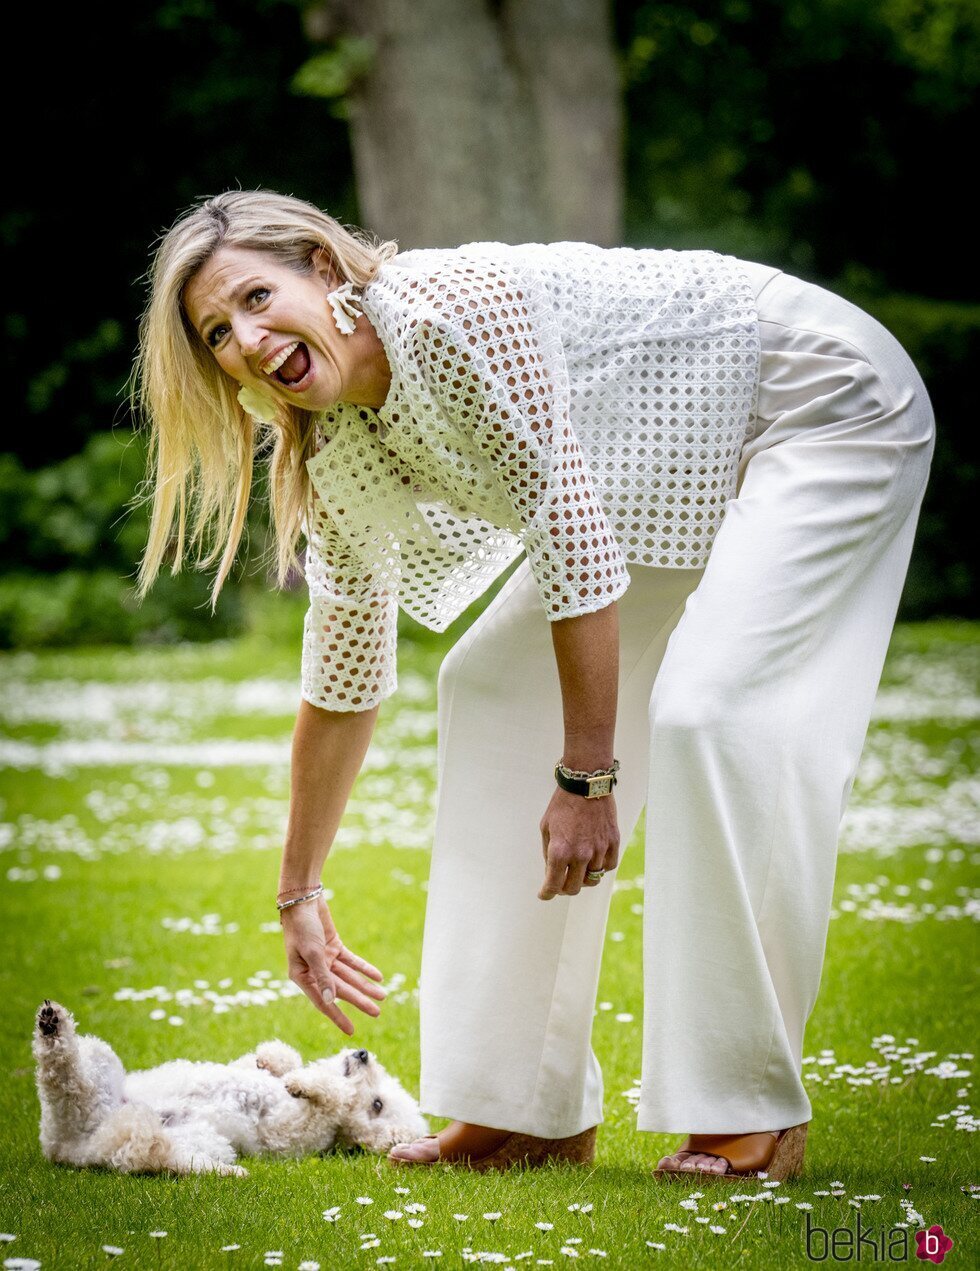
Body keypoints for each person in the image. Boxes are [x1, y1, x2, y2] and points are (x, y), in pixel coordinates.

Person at [133, 188, 935, 1180]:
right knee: (490, 686)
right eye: (219, 331)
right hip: (666, 464)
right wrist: (298, 890)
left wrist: (588, 779)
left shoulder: (446, 314)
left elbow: (568, 540)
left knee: (706, 714)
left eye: (257, 296)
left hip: (817, 399)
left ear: (323, 270)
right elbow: (341, 671)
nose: (249, 338)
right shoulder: (333, 443)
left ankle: (747, 1106)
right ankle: (520, 1106)